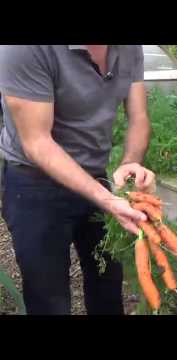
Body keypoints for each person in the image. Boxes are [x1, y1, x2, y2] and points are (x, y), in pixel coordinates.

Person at [0, 45, 155, 315]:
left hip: (95, 177)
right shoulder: (24, 49)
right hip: (33, 182)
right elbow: (37, 142)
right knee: (48, 297)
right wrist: (106, 198)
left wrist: (131, 161)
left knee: (107, 282)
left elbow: (139, 116)